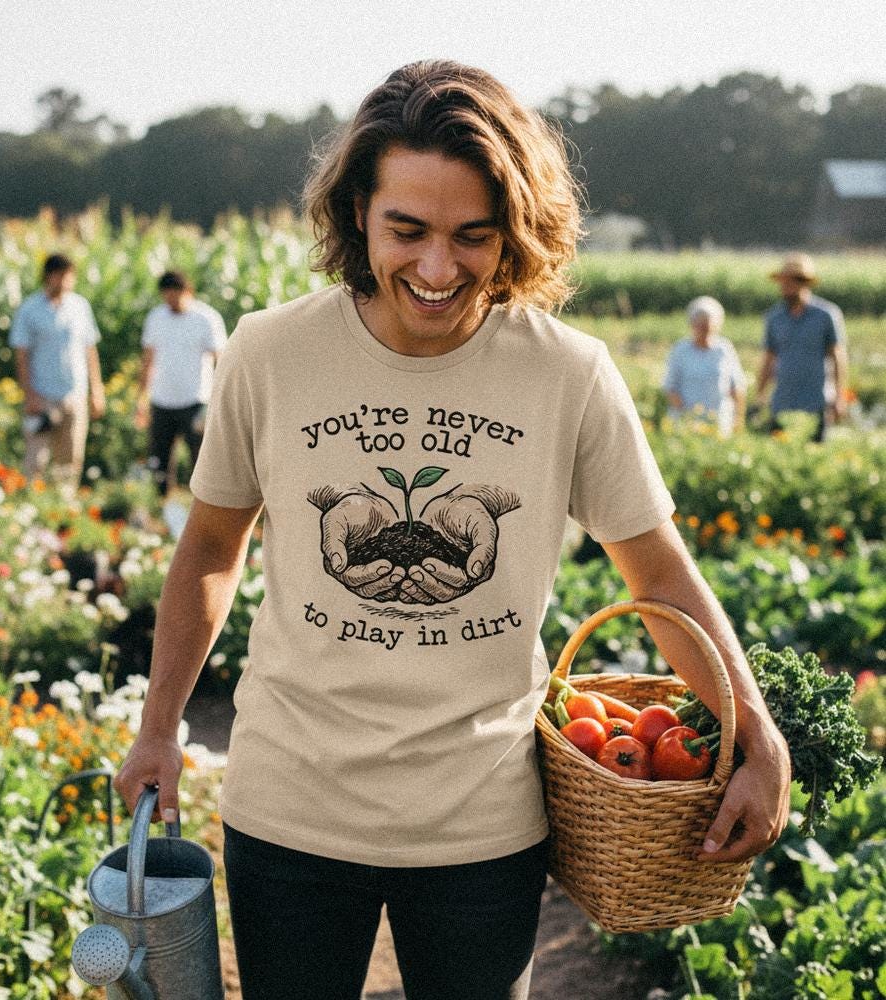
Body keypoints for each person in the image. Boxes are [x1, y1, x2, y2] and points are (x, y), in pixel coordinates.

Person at [114, 61, 790, 1000]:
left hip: (484, 824)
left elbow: (658, 573)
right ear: (358, 212)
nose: (437, 271)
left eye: (474, 236)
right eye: (408, 231)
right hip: (291, 809)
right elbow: (210, 550)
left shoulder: (569, 375)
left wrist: (754, 730)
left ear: (515, 230)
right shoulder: (270, 353)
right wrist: (158, 728)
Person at [9, 253, 105, 487]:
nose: (65, 281)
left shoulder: (80, 306)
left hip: (74, 393)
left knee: (70, 459)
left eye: (69, 276)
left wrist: (97, 389)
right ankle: (34, 506)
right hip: (42, 395)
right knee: (36, 459)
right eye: (60, 275)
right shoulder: (30, 310)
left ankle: (64, 509)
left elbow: (90, 350)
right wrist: (29, 395)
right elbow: (22, 356)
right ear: (48, 277)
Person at [136, 271, 227, 497]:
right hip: (162, 399)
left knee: (201, 459)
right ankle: (162, 504)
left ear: (188, 292)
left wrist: (217, 399)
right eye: (167, 296)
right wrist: (141, 398)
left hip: (195, 400)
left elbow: (221, 360)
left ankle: (202, 504)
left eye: (175, 296)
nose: (171, 301)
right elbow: (148, 360)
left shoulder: (206, 318)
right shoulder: (156, 318)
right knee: (160, 460)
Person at [756, 252, 847, 443]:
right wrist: (760, 395)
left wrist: (840, 397)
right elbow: (769, 359)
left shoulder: (826, 315)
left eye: (789, 283)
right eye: (782, 283)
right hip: (782, 402)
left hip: (815, 402)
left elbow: (837, 356)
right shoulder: (774, 318)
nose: (784, 287)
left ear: (803, 283)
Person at [663, 295, 745, 436]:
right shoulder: (681, 350)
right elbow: (670, 387)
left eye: (708, 327)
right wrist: (687, 417)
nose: (705, 331)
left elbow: (737, 386)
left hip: (719, 422)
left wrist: (738, 419)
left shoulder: (724, 349)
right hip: (686, 424)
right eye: (701, 327)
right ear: (692, 325)